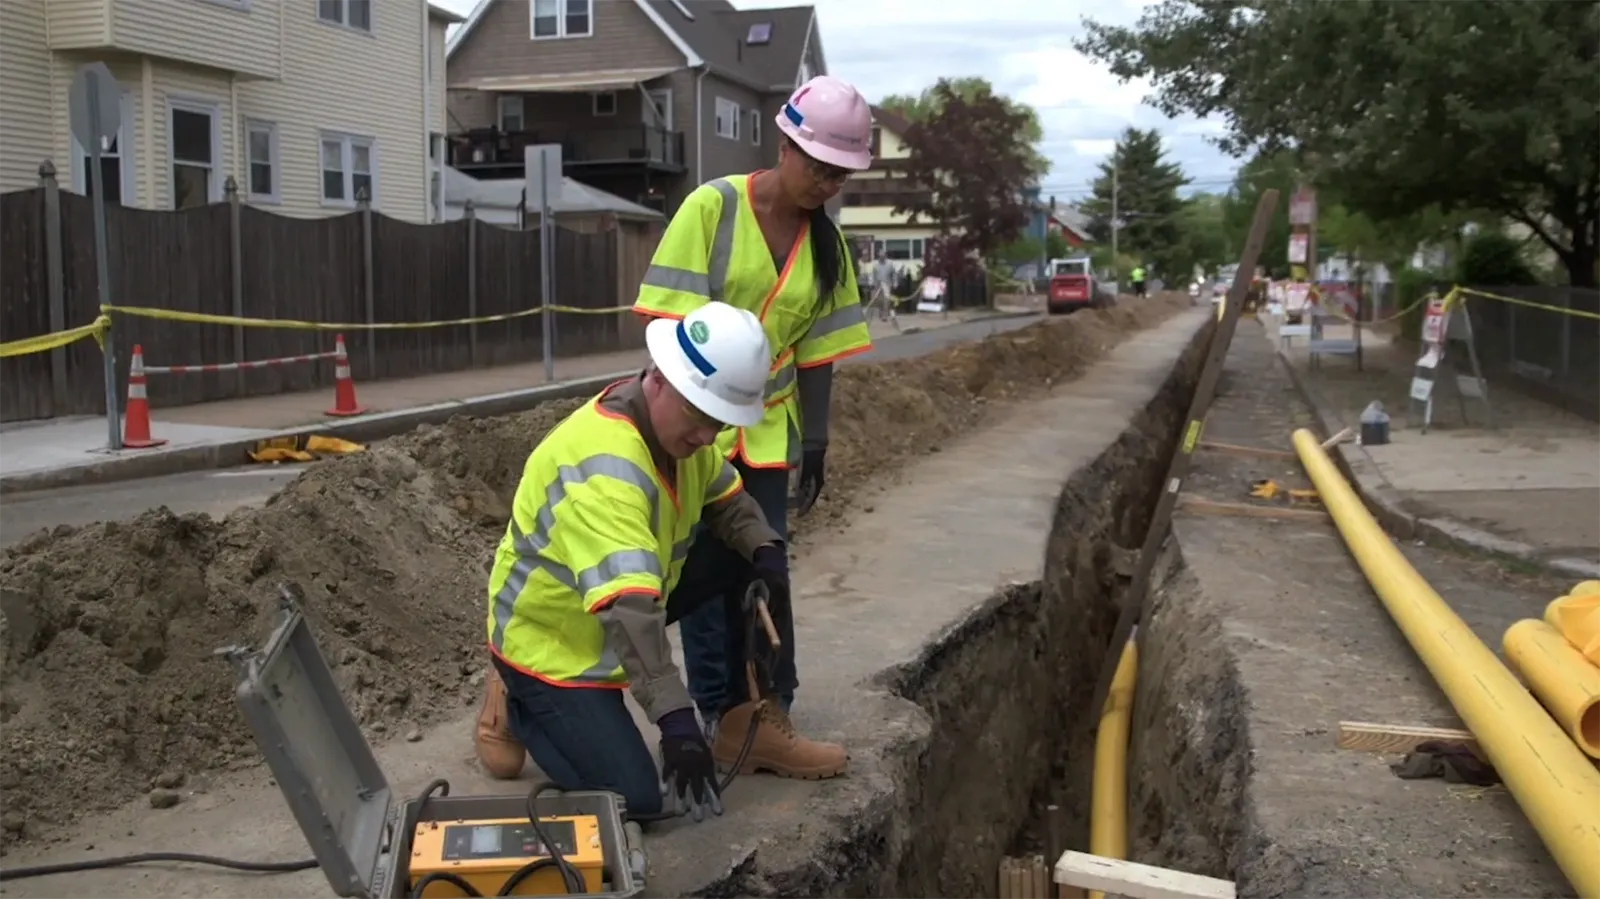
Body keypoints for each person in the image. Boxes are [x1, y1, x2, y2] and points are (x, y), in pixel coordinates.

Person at [635, 73, 875, 776]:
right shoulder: (712, 210)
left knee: (763, 567)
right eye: (818, 166)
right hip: (694, 426)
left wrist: (819, 438)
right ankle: (715, 708)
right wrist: (672, 434)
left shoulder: (827, 248)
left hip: (766, 433)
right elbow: (664, 329)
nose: (826, 183)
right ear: (785, 144)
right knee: (697, 572)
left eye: (840, 174)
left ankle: (769, 704)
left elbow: (820, 352)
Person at [477, 301, 789, 821]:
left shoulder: (679, 433)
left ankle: (734, 713)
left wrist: (767, 550)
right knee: (636, 800)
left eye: (721, 423)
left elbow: (727, 500)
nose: (709, 438)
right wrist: (676, 723)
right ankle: (515, 698)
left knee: (743, 556)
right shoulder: (604, 469)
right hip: (553, 644)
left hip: (624, 599)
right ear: (660, 379)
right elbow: (630, 610)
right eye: (701, 418)